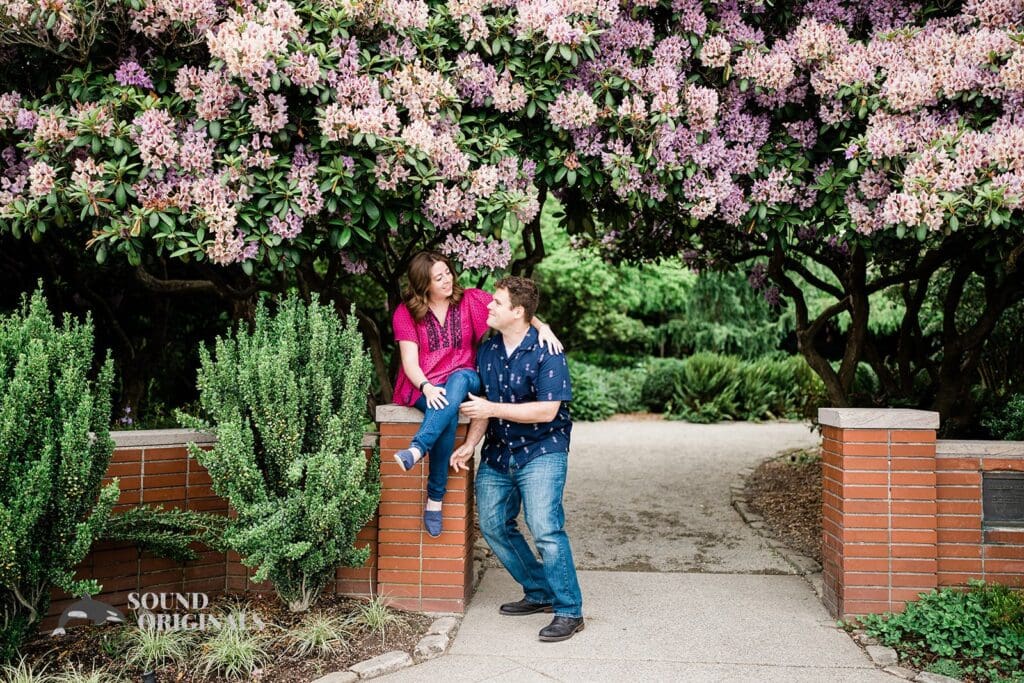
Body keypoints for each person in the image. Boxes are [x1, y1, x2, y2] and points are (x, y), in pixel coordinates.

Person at [450, 276, 584, 643]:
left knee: (546, 529)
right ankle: (540, 590)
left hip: (543, 449)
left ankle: (569, 610)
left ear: (518, 311)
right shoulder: (489, 350)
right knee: (493, 524)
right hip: (498, 450)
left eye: (497, 302)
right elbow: (483, 407)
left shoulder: (547, 351)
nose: (489, 307)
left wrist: (492, 408)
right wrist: (470, 444)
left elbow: (547, 410)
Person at [391, 252, 563, 537]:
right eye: (438, 277)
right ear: (424, 284)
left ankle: (417, 449)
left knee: (456, 382)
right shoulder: (405, 313)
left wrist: (542, 326)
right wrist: (427, 387)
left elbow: (515, 309)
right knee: (444, 414)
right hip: (423, 385)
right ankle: (435, 499)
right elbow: (409, 362)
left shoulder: (469, 299)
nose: (447, 279)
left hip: (465, 377)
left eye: (447, 272)